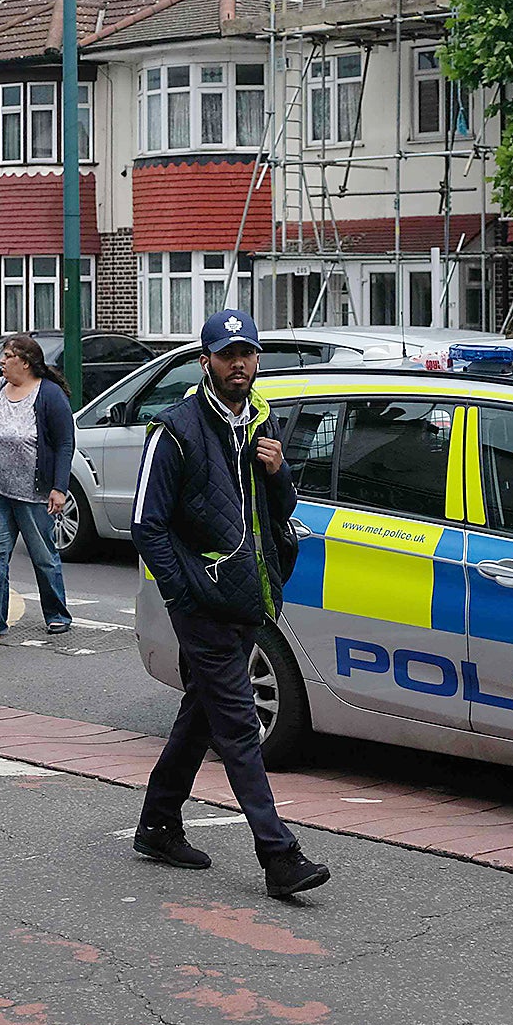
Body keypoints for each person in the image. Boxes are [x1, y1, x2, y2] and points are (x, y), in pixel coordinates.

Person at [131, 308, 329, 899]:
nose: (237, 363)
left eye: (246, 353)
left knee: (202, 714)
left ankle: (158, 823)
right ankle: (279, 856)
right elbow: (147, 526)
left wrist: (278, 473)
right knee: (239, 728)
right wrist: (182, 591)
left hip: (250, 595)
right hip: (204, 604)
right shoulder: (177, 431)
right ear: (205, 362)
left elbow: (279, 511)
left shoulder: (260, 425)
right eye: (225, 354)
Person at [0, 333, 74, 641]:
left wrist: (59, 487)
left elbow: (65, 443)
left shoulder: (48, 394)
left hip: (34, 492)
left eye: (7, 356)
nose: (1, 362)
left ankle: (58, 615)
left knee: (44, 557)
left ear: (24, 362)